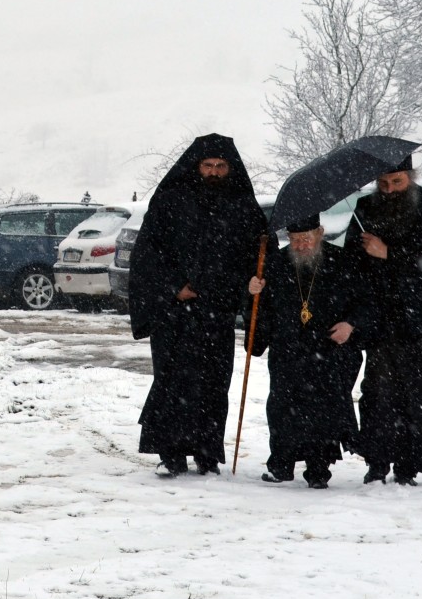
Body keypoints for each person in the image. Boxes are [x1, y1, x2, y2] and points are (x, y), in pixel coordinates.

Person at [129, 133, 266, 477]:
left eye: (221, 166)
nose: (214, 172)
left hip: (217, 311)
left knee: (213, 384)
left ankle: (207, 452)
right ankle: (171, 453)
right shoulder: (170, 201)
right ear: (196, 166)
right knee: (173, 382)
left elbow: (255, 257)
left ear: (230, 168)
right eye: (208, 165)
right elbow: (147, 254)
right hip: (175, 312)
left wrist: (251, 281)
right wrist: (174, 288)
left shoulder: (243, 206)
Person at [341, 156, 422, 486]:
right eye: (383, 184)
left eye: (397, 182)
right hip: (382, 317)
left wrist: (389, 253)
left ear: (410, 177)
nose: (390, 189)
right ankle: (377, 461)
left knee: (419, 396)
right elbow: (352, 264)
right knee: (378, 394)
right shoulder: (365, 208)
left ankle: (409, 464)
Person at [247, 214, 374, 489]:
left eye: (306, 239)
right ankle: (281, 465)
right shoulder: (275, 263)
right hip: (288, 349)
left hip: (327, 350)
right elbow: (261, 310)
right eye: (295, 240)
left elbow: (366, 300)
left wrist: (350, 325)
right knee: (282, 408)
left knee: (323, 412)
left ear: (320, 233)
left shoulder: (342, 261)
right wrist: (253, 291)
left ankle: (318, 470)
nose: (301, 246)